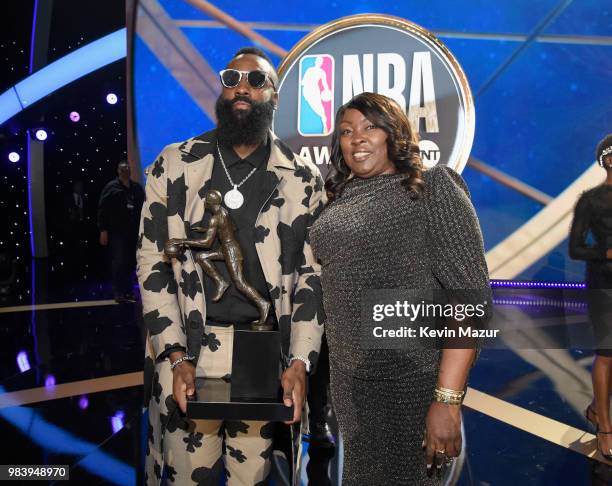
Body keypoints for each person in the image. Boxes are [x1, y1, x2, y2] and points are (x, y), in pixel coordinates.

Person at [137, 47, 325, 485]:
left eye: (256, 80)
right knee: (185, 475)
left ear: (275, 97)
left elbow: (311, 278)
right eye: (232, 77)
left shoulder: (301, 179)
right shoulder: (176, 163)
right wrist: (175, 353)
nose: (242, 86)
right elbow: (153, 261)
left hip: (264, 355)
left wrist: (299, 362)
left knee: (252, 477)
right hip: (191, 349)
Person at [309, 92, 490, 485]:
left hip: (410, 385)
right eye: (346, 131)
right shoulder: (338, 199)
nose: (357, 138)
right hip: (353, 392)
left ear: (393, 133)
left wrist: (446, 401)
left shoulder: (432, 188)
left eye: (370, 127)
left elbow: (470, 301)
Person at [569, 134, 612, 460]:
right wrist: (606, 252)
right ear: (608, 160)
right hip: (603, 285)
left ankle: (597, 409)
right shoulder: (591, 200)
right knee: (607, 354)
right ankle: (606, 430)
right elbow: (575, 248)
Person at [98, 161, 145, 302]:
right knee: (119, 261)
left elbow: (144, 208)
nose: (126, 171)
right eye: (123, 169)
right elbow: (102, 209)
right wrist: (103, 230)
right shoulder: (111, 188)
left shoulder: (136, 188)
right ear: (118, 171)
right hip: (117, 231)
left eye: (128, 169)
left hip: (133, 230)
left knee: (131, 261)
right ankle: (118, 291)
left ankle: (129, 291)